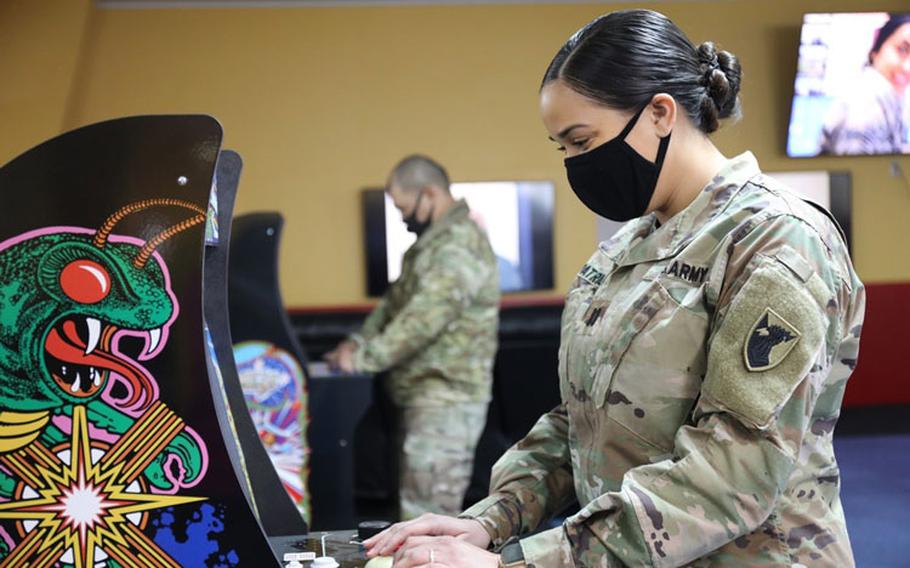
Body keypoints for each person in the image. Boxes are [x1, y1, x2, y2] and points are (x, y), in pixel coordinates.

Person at [364, 9, 865, 567]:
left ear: (659, 113)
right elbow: (581, 418)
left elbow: (734, 470)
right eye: (564, 149)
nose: (576, 165)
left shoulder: (777, 240)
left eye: (582, 141)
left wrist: (522, 561)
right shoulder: (625, 249)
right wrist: (488, 520)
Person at [324, 155, 500, 519]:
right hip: (421, 395)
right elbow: (392, 307)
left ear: (430, 194)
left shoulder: (457, 245)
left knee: (426, 520)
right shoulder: (429, 247)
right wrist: (357, 343)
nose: (404, 219)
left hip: (444, 400)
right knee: (414, 516)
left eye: (405, 209)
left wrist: (360, 360)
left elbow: (423, 320)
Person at [820, 13, 910, 155]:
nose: (907, 67)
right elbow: (859, 171)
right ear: (876, 49)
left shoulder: (890, 99)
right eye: (902, 49)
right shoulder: (867, 101)